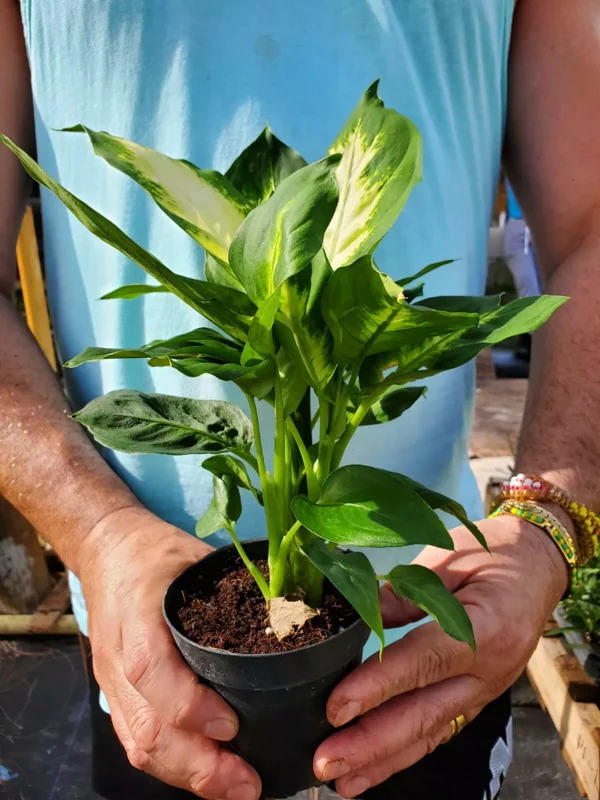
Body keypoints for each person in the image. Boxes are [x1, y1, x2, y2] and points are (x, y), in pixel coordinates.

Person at [0, 1, 598, 798]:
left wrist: (549, 519)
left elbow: (592, 227)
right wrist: (96, 530)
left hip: (439, 629)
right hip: (153, 659)